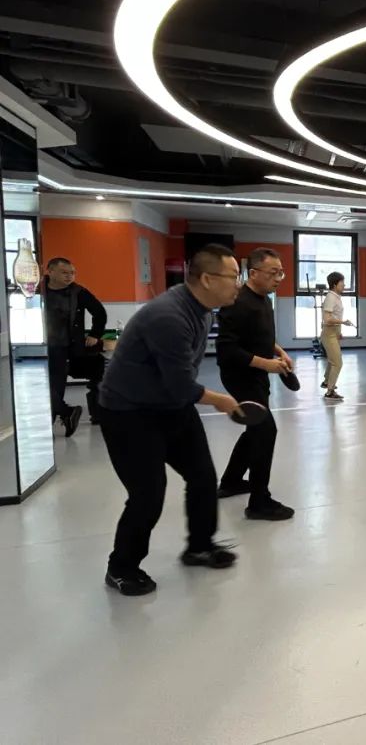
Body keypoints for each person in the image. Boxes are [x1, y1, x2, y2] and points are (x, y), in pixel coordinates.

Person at [98, 244, 242, 596]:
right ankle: (121, 567)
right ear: (207, 279)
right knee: (148, 493)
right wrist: (222, 401)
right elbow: (181, 386)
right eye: (233, 276)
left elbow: (180, 384)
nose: (238, 284)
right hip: (128, 412)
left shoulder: (204, 311)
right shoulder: (169, 317)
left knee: (203, 476)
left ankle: (200, 546)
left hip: (171, 407)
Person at [214, 248, 295, 521]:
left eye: (281, 272)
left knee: (255, 429)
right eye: (273, 273)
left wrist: (279, 351)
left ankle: (231, 481)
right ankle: (259, 502)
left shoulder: (264, 299)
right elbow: (227, 350)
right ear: (254, 272)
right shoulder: (236, 302)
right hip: (240, 376)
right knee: (265, 430)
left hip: (257, 374)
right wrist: (265, 364)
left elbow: (260, 336)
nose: (279, 278)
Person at [41, 257, 107, 435]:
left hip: (65, 346)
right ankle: (66, 413)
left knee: (55, 384)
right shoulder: (37, 291)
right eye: (64, 272)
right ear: (50, 272)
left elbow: (99, 312)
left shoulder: (78, 292)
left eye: (72, 273)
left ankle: (60, 416)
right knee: (42, 385)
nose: (69, 276)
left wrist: (94, 334)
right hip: (39, 345)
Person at [320, 271, 353, 400]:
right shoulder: (330, 297)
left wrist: (339, 332)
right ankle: (330, 391)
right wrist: (343, 322)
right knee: (337, 363)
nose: (344, 285)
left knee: (332, 360)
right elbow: (327, 319)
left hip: (334, 333)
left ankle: (326, 382)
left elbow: (334, 315)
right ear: (334, 285)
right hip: (329, 334)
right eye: (342, 282)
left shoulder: (336, 297)